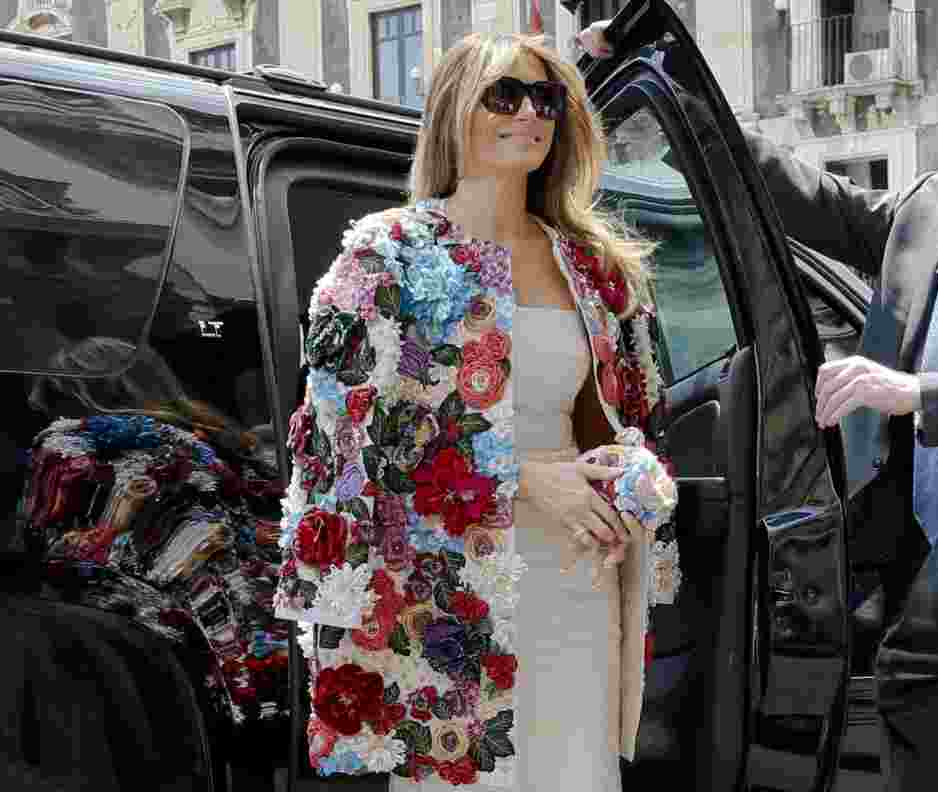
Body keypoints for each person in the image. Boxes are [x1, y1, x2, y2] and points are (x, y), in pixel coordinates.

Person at [579, 18, 938, 792]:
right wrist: (678, 93)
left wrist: (923, 392)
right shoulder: (932, 210)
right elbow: (801, 196)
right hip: (935, 578)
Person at [271, 32, 681, 790]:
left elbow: (636, 417)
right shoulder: (384, 255)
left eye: (548, 99)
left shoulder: (593, 263)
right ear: (454, 110)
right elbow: (343, 444)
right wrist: (520, 478)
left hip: (579, 571)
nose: (531, 113)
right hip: (449, 589)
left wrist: (631, 472)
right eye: (506, 94)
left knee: (572, 768)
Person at [16, 336, 290, 789]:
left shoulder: (68, 444)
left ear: (80, 393)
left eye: (52, 400)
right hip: (263, 660)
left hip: (148, 664)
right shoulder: (226, 443)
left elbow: (47, 542)